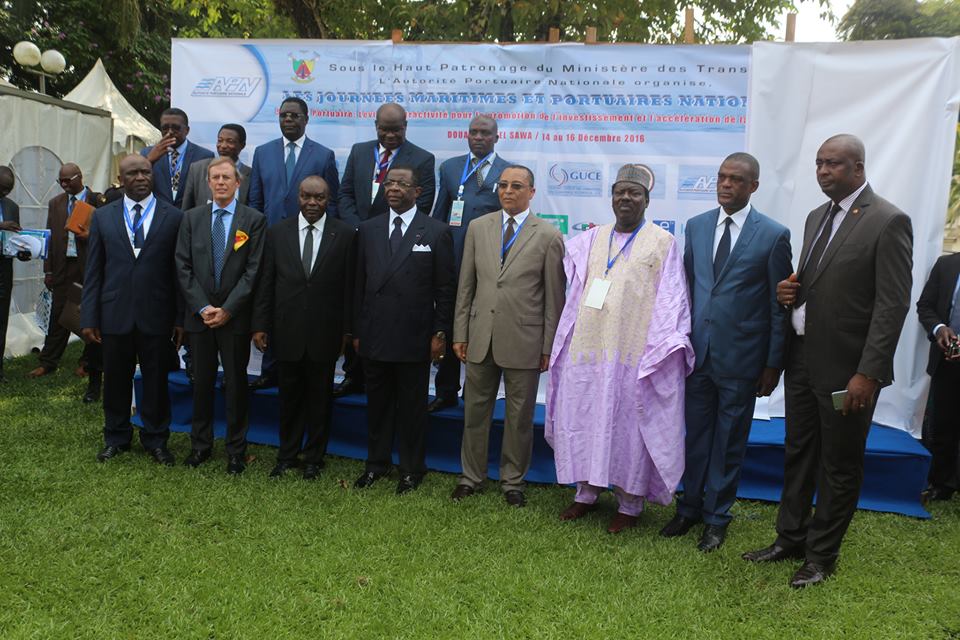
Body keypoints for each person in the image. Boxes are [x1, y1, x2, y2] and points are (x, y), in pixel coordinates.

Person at [742, 134, 913, 588]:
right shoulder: (817, 217)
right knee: (798, 454)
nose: (823, 171)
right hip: (802, 362)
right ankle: (789, 538)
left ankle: (821, 557)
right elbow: (813, 285)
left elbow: (891, 306)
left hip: (848, 372)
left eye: (833, 164)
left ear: (858, 167)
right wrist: (788, 294)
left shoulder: (888, 220)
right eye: (819, 163)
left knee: (839, 464)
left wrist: (868, 373)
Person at [546, 164, 693, 533]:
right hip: (590, 350)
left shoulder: (662, 243)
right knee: (587, 417)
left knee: (628, 424)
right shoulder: (590, 240)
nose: (626, 198)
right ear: (611, 197)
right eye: (619, 192)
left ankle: (630, 503)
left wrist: (659, 349)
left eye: (634, 193)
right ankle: (586, 493)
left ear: (646, 200)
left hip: (633, 354)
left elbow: (672, 297)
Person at [660, 153, 792, 551]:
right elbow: (684, 290)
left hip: (743, 358)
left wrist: (772, 363)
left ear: (753, 186)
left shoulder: (773, 234)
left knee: (729, 441)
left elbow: (777, 305)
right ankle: (689, 508)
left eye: (736, 179)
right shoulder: (697, 227)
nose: (726, 184)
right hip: (697, 354)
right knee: (696, 436)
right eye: (722, 177)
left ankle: (717, 518)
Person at [451, 165, 565, 508]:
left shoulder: (548, 235)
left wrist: (548, 346)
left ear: (531, 192)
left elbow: (553, 299)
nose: (508, 191)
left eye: (517, 186)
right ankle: (470, 477)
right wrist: (460, 331)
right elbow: (466, 286)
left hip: (525, 341)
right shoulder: (478, 228)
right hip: (480, 336)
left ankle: (512, 481)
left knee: (519, 418)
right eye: (503, 185)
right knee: (474, 412)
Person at [351, 166, 455, 494]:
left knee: (411, 407)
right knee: (378, 405)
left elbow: (445, 289)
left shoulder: (436, 232)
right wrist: (356, 331)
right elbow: (358, 286)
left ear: (418, 191)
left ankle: (412, 469)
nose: (393, 188)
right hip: (375, 334)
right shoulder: (367, 229)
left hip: (414, 335)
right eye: (389, 182)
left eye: (401, 184)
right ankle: (376, 464)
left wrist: (439, 333)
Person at [81, 155, 185, 465]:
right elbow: (94, 272)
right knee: (115, 379)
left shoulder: (174, 216)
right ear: (120, 178)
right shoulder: (103, 217)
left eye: (145, 171)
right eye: (132, 173)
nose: (140, 177)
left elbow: (179, 275)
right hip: (114, 314)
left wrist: (179, 318)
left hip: (157, 314)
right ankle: (116, 437)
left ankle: (156, 439)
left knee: (155, 380)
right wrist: (89, 317)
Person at [252, 176, 355, 479]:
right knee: (289, 399)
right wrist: (260, 325)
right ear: (298, 197)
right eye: (307, 197)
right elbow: (266, 283)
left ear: (329, 199)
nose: (312, 203)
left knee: (320, 399)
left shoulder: (346, 235)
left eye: (319, 198)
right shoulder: (277, 233)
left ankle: (314, 458)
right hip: (287, 331)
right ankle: (287, 455)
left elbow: (349, 288)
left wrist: (347, 332)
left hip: (326, 333)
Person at [334, 102, 436, 398]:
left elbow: (424, 201)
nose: (390, 135)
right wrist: (359, 228)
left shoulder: (423, 158)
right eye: (384, 129)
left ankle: (382, 377)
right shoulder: (359, 151)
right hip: (358, 239)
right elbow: (345, 193)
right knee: (357, 300)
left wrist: (378, 231)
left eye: (396, 129)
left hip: (395, 245)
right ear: (375, 125)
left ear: (406, 125)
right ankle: (353, 374)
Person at [175, 157, 265, 475]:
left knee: (236, 384)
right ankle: (200, 446)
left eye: (227, 177)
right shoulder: (191, 218)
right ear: (208, 182)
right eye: (216, 177)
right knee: (201, 384)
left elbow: (253, 272)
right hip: (199, 319)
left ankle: (236, 450)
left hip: (234, 319)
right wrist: (203, 308)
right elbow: (182, 267)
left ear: (238, 182)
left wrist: (228, 309)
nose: (221, 182)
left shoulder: (253, 220)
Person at [247, 96, 340, 390]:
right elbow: (255, 200)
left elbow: (333, 202)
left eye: (295, 116)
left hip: (308, 241)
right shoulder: (262, 153)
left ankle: (302, 367)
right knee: (272, 300)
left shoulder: (323, 155)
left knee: (300, 302)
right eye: (284, 115)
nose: (288, 120)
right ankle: (269, 368)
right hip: (272, 240)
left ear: (306, 119)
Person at [428, 114, 511, 412]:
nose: (478, 137)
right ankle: (446, 390)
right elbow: (439, 216)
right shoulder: (450, 168)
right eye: (473, 132)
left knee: (481, 327)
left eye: (485, 133)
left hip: (489, 265)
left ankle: (474, 391)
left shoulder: (508, 173)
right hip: (452, 262)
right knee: (451, 324)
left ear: (496, 137)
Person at [28, 164, 106, 403]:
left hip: (89, 267)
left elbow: (108, 234)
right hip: (63, 267)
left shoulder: (98, 200)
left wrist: (90, 236)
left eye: (67, 180)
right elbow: (51, 238)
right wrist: (48, 269)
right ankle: (48, 362)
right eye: (60, 181)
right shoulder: (56, 203)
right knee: (59, 315)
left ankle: (87, 362)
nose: (64, 185)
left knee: (88, 315)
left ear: (80, 177)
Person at [916, 252, 960, 502]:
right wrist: (939, 328)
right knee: (943, 425)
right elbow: (925, 306)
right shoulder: (946, 265)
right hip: (947, 362)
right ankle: (942, 484)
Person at [140, 107, 214, 210]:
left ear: (187, 130)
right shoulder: (147, 153)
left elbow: (205, 193)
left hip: (189, 217)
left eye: (176, 128)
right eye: (165, 128)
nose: (170, 132)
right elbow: (138, 181)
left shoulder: (204, 155)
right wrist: (149, 160)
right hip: (157, 216)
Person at [0, 166, 31, 383]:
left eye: (8, 189)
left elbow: (14, 239)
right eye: (1, 188)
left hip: (4, 272)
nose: (4, 193)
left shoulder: (12, 207)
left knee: (2, 321)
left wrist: (24, 251)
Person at [181, 124, 251, 210]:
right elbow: (186, 209)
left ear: (242, 145)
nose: (223, 146)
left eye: (230, 141)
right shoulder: (198, 169)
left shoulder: (251, 175)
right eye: (220, 140)